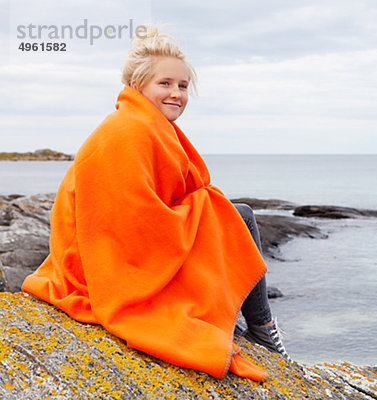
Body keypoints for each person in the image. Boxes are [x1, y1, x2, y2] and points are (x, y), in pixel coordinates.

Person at [21, 24, 289, 382]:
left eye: (182, 86)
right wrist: (197, 214)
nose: (176, 93)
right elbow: (126, 219)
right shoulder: (125, 131)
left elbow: (163, 199)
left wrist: (197, 211)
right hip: (98, 262)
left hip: (121, 244)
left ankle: (259, 327)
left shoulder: (149, 124)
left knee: (226, 212)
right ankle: (264, 329)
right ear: (138, 85)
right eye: (165, 84)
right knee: (233, 214)